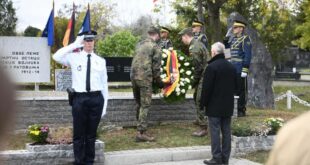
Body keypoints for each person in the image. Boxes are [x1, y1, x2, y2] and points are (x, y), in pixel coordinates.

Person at [53, 30, 108, 165]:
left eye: (91, 40)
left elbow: (104, 84)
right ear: (83, 42)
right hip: (79, 99)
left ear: (94, 42)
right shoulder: (74, 57)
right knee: (78, 134)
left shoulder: (100, 61)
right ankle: (79, 162)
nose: (89, 43)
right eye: (87, 40)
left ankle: (89, 161)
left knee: (91, 135)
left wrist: (105, 106)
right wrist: (74, 44)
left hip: (96, 99)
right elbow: (56, 56)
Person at [200, 42, 238, 165]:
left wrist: (202, 103)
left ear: (215, 52)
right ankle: (225, 158)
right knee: (226, 131)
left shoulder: (211, 67)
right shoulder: (231, 67)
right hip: (227, 105)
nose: (211, 52)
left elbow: (206, 89)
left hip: (214, 105)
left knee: (215, 131)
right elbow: (237, 86)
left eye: (211, 51)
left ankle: (216, 158)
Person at [131, 26, 165, 142]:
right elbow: (156, 69)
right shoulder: (155, 47)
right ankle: (141, 133)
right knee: (145, 105)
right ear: (156, 35)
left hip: (134, 78)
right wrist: (160, 83)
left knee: (139, 103)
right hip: (145, 78)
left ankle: (139, 127)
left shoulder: (139, 44)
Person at [179, 27, 210, 137]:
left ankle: (203, 127)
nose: (181, 40)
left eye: (182, 37)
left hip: (205, 75)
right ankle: (199, 119)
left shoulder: (194, 47)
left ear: (186, 36)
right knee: (196, 95)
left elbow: (197, 68)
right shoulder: (196, 43)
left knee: (199, 99)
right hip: (204, 74)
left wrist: (192, 82)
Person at [223, 20, 252, 117]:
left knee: (241, 90)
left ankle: (241, 109)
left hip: (240, 68)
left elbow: (247, 55)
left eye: (235, 27)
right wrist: (226, 38)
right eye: (233, 27)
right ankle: (234, 109)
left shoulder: (245, 39)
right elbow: (227, 51)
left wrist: (245, 69)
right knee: (233, 89)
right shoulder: (231, 39)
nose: (233, 29)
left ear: (241, 29)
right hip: (232, 68)